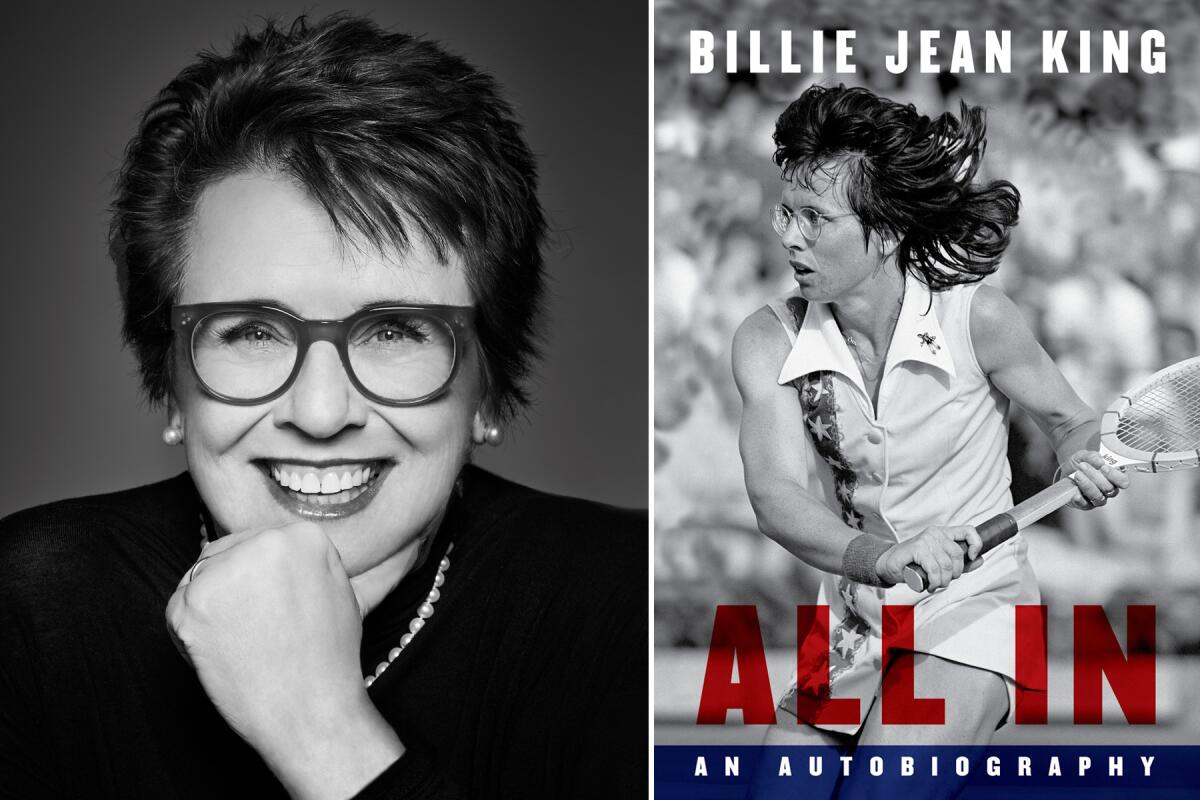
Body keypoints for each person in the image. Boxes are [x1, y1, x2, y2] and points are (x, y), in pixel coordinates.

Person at [0, 14, 645, 799]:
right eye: (252, 332)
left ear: (487, 385)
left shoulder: (634, 609)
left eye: (395, 329)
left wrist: (320, 727)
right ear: (172, 382)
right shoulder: (35, 607)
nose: (319, 409)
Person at [732, 85, 1129, 796]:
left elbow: (1073, 422)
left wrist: (1084, 461)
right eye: (785, 211)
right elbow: (777, 496)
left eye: (815, 218)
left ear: (883, 230)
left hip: (977, 604)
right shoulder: (768, 340)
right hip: (855, 620)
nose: (789, 235)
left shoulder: (980, 317)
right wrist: (884, 559)